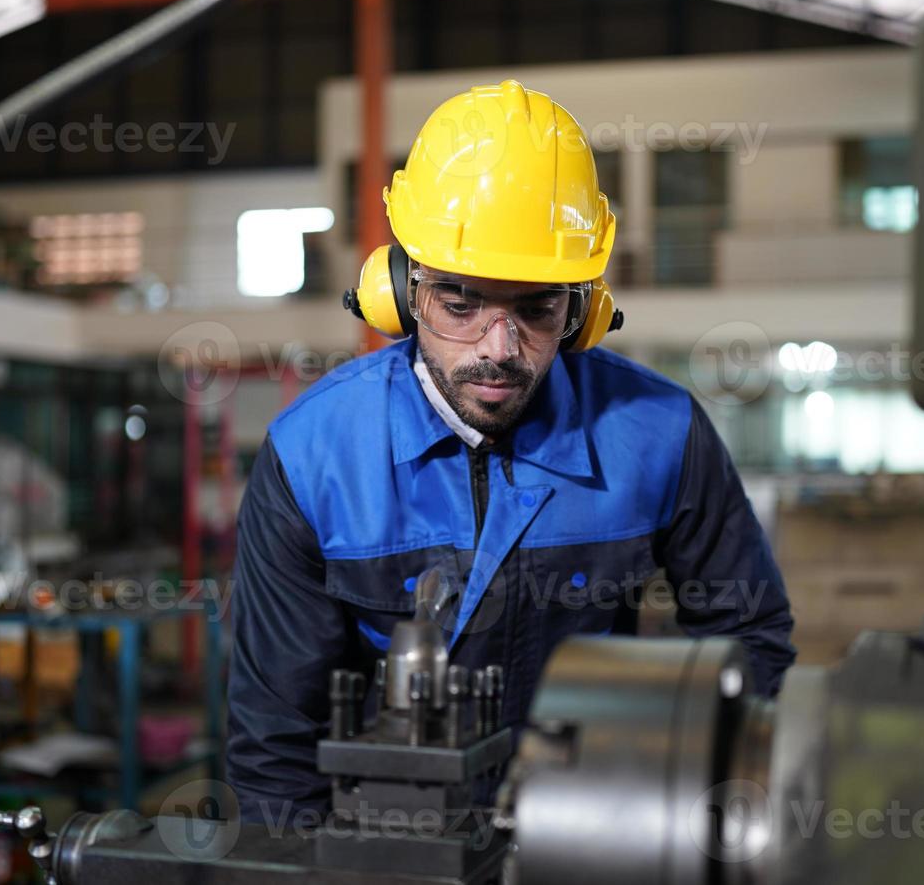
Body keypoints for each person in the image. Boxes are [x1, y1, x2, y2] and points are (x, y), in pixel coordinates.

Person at [227, 79, 794, 822]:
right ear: (400, 291)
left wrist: (687, 811)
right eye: (460, 303)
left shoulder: (659, 435)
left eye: (536, 309)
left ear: (584, 310)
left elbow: (747, 637)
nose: (499, 350)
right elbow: (275, 746)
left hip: (591, 828)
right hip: (388, 838)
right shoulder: (315, 457)